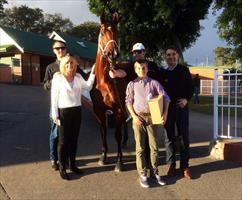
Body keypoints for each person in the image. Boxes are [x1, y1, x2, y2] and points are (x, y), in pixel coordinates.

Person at [126, 60, 170, 188]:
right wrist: (134, 117)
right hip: (138, 118)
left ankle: (155, 172)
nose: (141, 70)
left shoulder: (154, 83)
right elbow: (128, 102)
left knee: (154, 147)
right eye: (139, 68)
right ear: (135, 70)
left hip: (152, 118)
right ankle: (143, 174)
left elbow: (166, 98)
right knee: (140, 148)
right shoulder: (132, 84)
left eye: (143, 68)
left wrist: (165, 113)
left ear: (147, 68)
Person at [51, 55, 95, 180]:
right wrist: (55, 114)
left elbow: (88, 86)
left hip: (77, 111)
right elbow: (54, 98)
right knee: (63, 141)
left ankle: (73, 164)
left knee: (74, 140)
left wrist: (93, 72)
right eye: (67, 63)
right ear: (63, 65)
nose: (70, 65)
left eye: (72, 63)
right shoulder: (58, 78)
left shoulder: (78, 77)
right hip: (63, 112)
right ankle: (62, 167)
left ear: (75, 65)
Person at [159, 46, 194, 179]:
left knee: (184, 137)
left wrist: (186, 99)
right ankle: (171, 165)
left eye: (173, 54)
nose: (171, 57)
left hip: (182, 108)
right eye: (168, 55)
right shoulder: (162, 72)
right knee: (169, 138)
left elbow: (191, 88)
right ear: (165, 57)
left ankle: (185, 166)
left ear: (177, 56)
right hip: (167, 110)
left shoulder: (184, 70)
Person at [43, 40, 68, 170]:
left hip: (69, 107)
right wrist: (54, 79)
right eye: (57, 48)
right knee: (55, 134)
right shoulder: (51, 67)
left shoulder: (72, 64)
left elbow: (84, 78)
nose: (60, 51)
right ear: (54, 50)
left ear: (66, 49)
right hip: (56, 106)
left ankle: (65, 158)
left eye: (62, 48)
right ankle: (54, 159)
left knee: (67, 134)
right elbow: (45, 86)